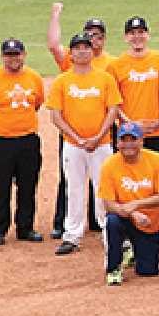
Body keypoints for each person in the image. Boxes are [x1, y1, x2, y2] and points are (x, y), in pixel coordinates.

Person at [47, 32, 122, 256]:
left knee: (104, 188)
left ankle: (108, 231)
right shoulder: (62, 81)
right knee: (74, 188)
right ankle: (72, 235)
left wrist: (98, 136)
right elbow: (56, 116)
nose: (82, 51)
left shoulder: (105, 78)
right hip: (73, 144)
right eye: (77, 48)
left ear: (92, 51)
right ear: (71, 53)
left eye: (86, 47)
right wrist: (78, 138)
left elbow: (113, 110)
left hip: (102, 143)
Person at [0, 38, 45, 245]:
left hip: (28, 139)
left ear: (24, 55)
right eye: (9, 55)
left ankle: (26, 227)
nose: (13, 59)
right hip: (0, 141)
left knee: (28, 185)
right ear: (3, 57)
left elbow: (37, 103)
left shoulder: (34, 78)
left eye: (17, 54)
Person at [98, 122, 159, 283]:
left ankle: (132, 252)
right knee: (112, 221)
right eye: (124, 140)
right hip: (124, 217)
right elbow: (108, 204)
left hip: (149, 222)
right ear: (117, 143)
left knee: (148, 271)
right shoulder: (109, 165)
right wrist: (133, 212)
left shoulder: (157, 161)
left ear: (141, 141)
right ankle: (114, 268)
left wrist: (136, 205)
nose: (128, 144)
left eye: (133, 139)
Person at [107, 17, 159, 158]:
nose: (137, 37)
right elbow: (113, 102)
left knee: (154, 171)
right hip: (128, 131)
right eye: (132, 33)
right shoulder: (116, 65)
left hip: (155, 130)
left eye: (141, 32)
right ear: (125, 37)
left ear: (148, 35)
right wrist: (131, 123)